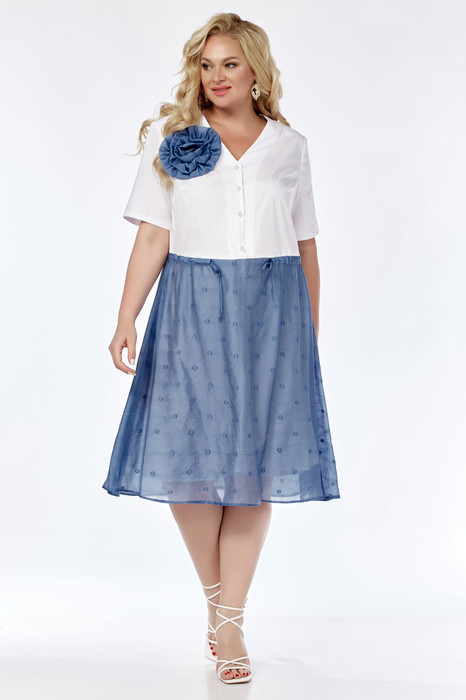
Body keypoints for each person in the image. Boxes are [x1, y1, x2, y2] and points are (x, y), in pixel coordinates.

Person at [103, 11, 341, 685]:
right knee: (188, 459)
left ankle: (230, 622)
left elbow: (305, 245)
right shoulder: (172, 137)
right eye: (206, 65)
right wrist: (126, 316)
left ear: (255, 69)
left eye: (230, 64)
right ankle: (217, 603)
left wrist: (307, 334)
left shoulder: (289, 146)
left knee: (254, 467)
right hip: (191, 304)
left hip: (273, 311)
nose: (216, 76)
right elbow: (154, 234)